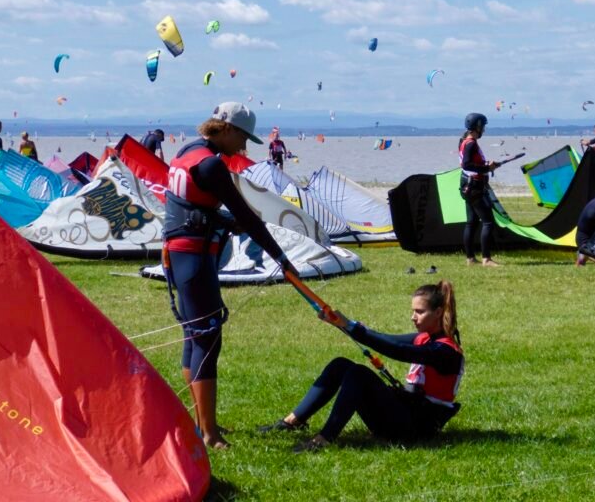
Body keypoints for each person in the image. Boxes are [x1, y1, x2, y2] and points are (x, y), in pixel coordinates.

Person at [163, 102, 298, 449]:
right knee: (207, 339)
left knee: (194, 337)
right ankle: (209, 434)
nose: (243, 146)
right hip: (194, 258)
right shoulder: (211, 165)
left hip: (179, 256)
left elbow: (189, 205)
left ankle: (200, 421)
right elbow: (248, 218)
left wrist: (222, 222)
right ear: (224, 128)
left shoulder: (188, 152)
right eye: (241, 137)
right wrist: (281, 257)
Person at [259, 280, 464, 452]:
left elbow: (396, 350)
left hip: (417, 429)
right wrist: (341, 323)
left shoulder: (447, 352)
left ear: (438, 313)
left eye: (420, 312)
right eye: (413, 311)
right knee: (341, 365)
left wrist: (352, 327)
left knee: (358, 374)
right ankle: (292, 421)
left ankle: (324, 439)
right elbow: (386, 339)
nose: (413, 317)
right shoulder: (423, 338)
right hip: (405, 415)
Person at [459, 113, 503, 267]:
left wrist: (487, 164)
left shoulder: (464, 140)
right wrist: (486, 167)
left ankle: (470, 258)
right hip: (474, 187)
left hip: (467, 185)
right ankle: (486, 259)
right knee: (488, 222)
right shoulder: (471, 144)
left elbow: (471, 163)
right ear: (477, 126)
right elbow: (466, 164)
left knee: (471, 223)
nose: (484, 129)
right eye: (482, 126)